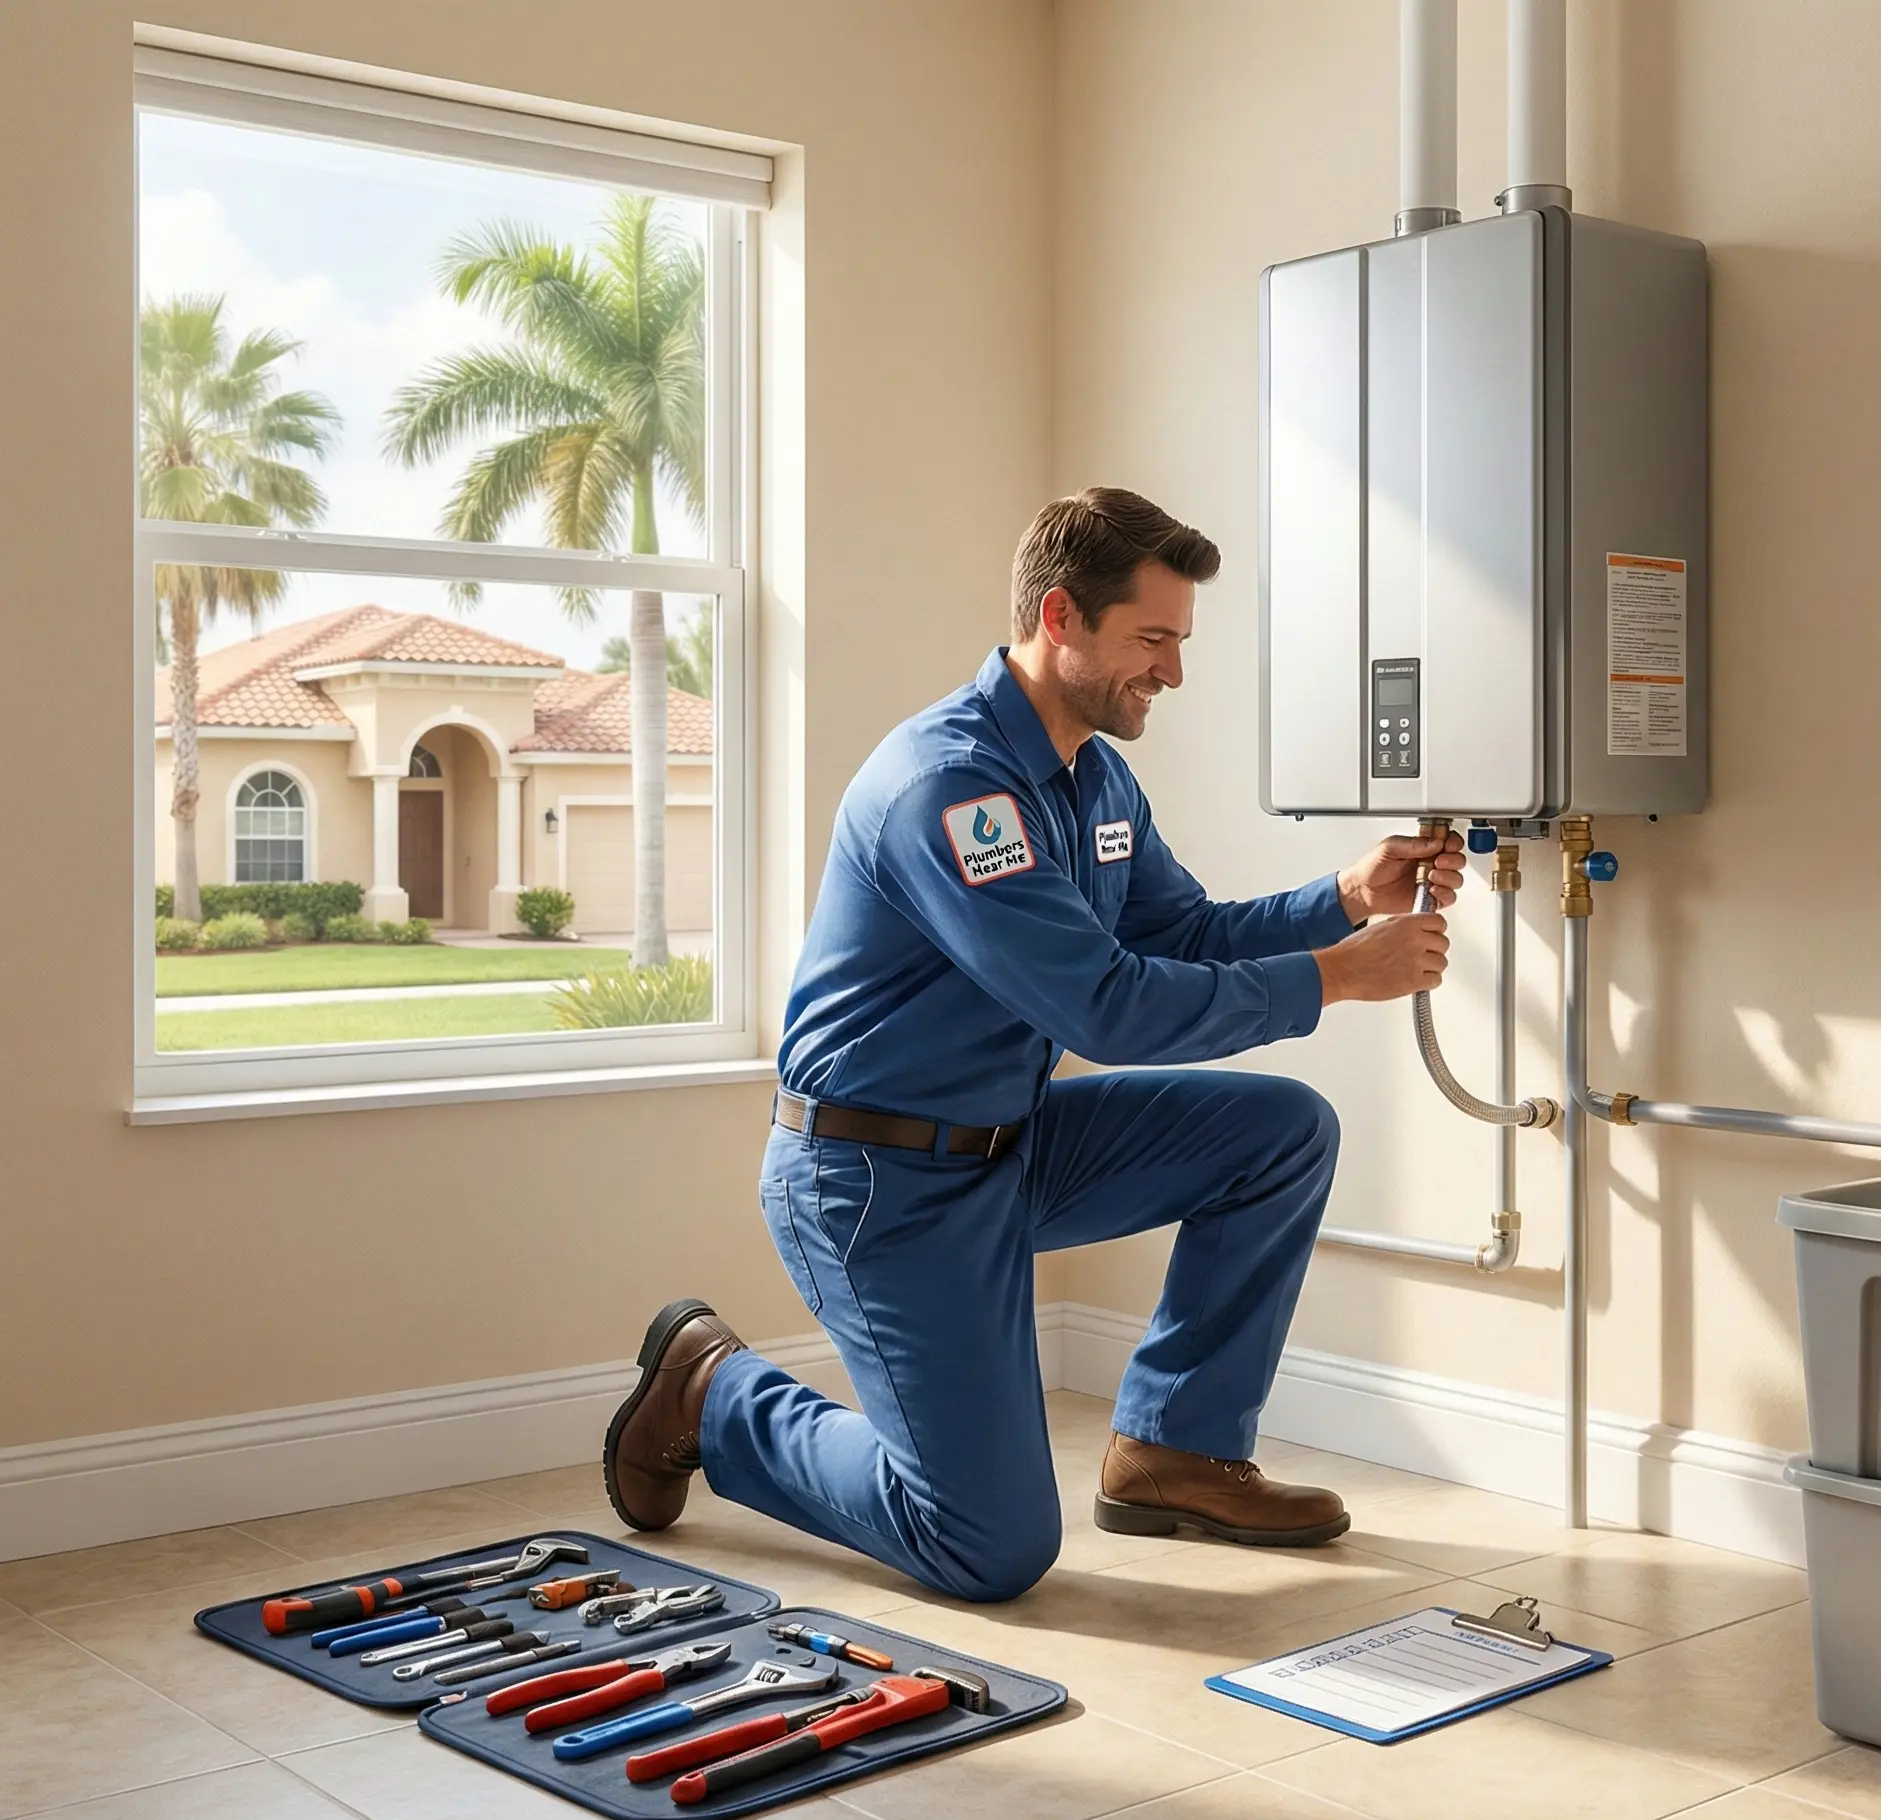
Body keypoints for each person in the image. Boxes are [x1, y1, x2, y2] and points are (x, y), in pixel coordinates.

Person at [603, 487, 1461, 1602]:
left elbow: (1178, 933)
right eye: (1153, 639)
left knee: (1280, 1131)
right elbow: (1104, 1009)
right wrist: (1335, 980)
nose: (1174, 671)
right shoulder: (952, 788)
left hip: (1013, 1143)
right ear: (1061, 617)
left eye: (1180, 641)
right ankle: (712, 1392)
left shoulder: (1091, 775)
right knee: (988, 1544)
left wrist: (1340, 899)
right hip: (877, 1179)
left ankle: (1176, 1450)